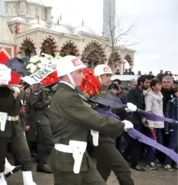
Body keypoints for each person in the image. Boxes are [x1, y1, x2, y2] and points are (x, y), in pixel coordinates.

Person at [47, 56, 133, 185]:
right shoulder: (67, 96)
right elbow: (93, 118)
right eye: (79, 72)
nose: (83, 76)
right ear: (67, 74)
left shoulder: (71, 93)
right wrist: (120, 125)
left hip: (80, 156)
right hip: (68, 159)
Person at [92, 64, 135, 185]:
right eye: (106, 75)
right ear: (98, 76)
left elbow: (114, 111)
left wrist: (125, 109)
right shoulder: (91, 93)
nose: (109, 78)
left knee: (103, 171)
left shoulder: (106, 93)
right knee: (123, 169)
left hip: (109, 135)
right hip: (100, 137)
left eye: (110, 75)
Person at [0, 84, 36, 185]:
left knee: (25, 152)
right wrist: (13, 95)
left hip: (16, 125)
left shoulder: (20, 89)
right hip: (1, 124)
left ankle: (28, 180)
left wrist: (23, 125)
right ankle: (0, 177)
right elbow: (2, 106)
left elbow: (22, 110)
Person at [124, 75, 152, 171]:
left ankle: (124, 156)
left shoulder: (141, 93)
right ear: (141, 82)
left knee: (133, 141)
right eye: (147, 82)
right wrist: (142, 116)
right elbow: (134, 107)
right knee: (136, 141)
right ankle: (134, 163)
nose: (149, 84)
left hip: (138, 120)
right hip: (133, 121)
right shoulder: (133, 92)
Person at [29, 84, 54, 173]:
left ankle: (41, 164)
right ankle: (45, 163)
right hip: (40, 118)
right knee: (48, 141)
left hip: (46, 116)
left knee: (42, 143)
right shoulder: (36, 88)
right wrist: (48, 101)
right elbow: (34, 104)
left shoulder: (46, 89)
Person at [144, 78, 164, 170]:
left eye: (160, 85)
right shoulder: (149, 96)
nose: (160, 86)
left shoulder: (160, 95)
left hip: (160, 122)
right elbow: (148, 110)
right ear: (153, 86)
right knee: (152, 143)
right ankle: (149, 161)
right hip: (153, 123)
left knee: (158, 142)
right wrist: (150, 124)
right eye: (158, 85)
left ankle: (153, 159)